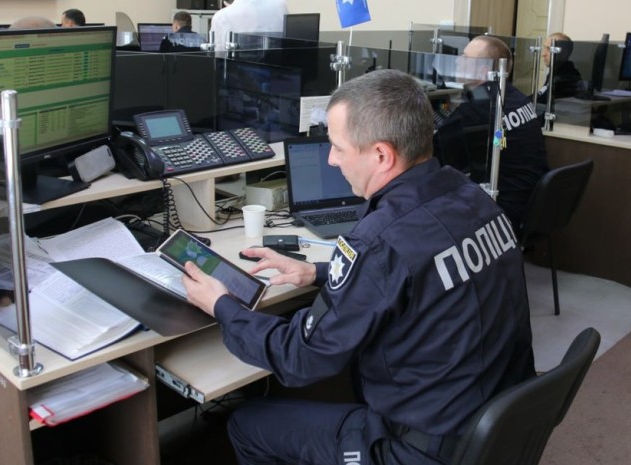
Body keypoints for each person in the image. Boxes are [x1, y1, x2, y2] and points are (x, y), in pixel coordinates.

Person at [181, 69, 535, 465]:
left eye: (338, 147)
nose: (331, 160)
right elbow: (419, 271)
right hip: (492, 424)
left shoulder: (378, 241)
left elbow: (301, 358)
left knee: (247, 424)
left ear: (382, 155)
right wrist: (316, 272)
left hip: (418, 448)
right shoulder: (473, 197)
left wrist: (222, 305)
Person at [444, 35, 549, 236]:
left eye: (465, 57)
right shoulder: (516, 97)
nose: (457, 60)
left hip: (503, 210)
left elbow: (435, 152)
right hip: (530, 204)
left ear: (484, 71)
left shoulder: (480, 108)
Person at [209, 0, 288, 52]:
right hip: (282, 72)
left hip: (241, 72)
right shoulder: (281, 4)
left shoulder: (222, 16)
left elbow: (219, 58)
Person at [535, 32, 584, 105]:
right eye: (544, 48)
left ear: (564, 52)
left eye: (549, 49)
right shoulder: (556, 70)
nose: (543, 54)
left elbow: (543, 99)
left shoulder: (566, 76)